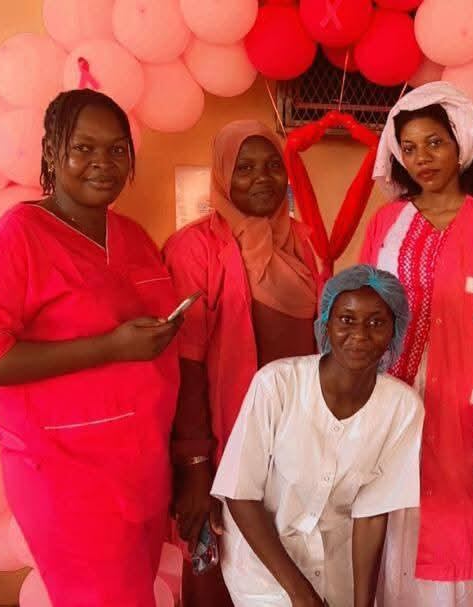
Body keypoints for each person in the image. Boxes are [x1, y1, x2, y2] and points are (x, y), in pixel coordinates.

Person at [0, 89, 180, 606]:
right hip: (65, 476)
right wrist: (110, 348)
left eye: (118, 150)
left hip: (140, 470)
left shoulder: (133, 237)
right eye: (84, 148)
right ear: (52, 152)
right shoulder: (21, 235)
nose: (104, 163)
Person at [360, 81, 473, 606]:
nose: (422, 158)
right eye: (409, 147)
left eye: (434, 142)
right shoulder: (386, 223)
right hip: (400, 416)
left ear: (461, 144)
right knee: (405, 527)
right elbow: (364, 319)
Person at [163, 120, 322, 605]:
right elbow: (185, 368)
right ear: (222, 175)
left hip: (297, 443)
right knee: (223, 574)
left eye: (274, 165)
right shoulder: (195, 248)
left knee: (292, 570)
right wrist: (196, 466)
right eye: (245, 167)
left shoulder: (302, 241)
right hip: (227, 445)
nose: (262, 178)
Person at [211, 265, 424, 607]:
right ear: (326, 321)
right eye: (346, 320)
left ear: (394, 330)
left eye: (376, 322)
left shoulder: (402, 407)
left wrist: (362, 604)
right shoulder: (277, 384)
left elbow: (371, 514)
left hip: (334, 563)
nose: (360, 335)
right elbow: (240, 494)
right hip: (263, 564)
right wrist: (300, 594)